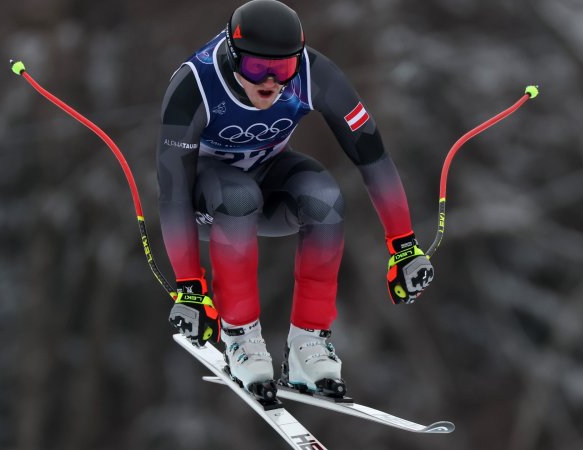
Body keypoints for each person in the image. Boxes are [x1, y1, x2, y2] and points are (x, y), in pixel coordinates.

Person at [160, 0, 434, 399]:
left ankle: (309, 344)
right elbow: (171, 192)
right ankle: (242, 339)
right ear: (233, 56)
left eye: (283, 68)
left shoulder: (315, 73)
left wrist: (404, 245)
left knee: (325, 197)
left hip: (268, 185)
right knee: (238, 195)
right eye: (256, 68)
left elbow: (372, 156)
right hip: (205, 203)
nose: (270, 82)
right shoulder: (194, 84)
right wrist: (189, 285)